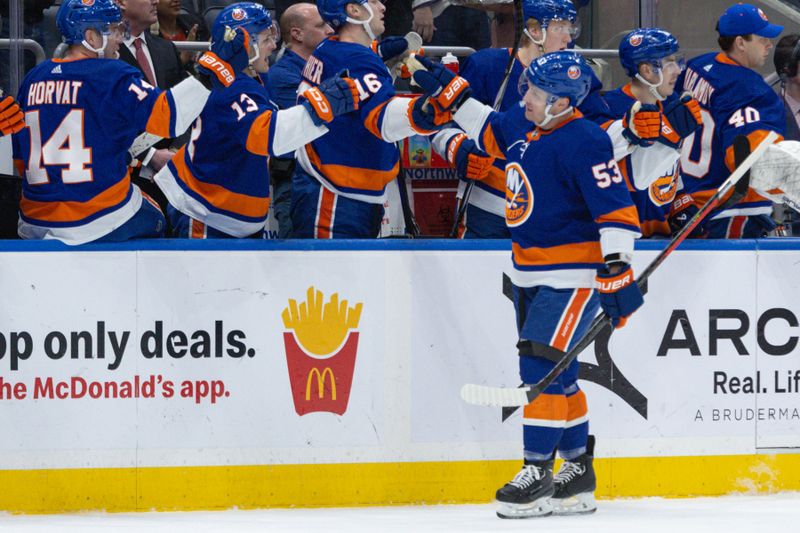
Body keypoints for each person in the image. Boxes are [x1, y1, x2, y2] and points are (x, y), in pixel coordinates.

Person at [411, 51, 643, 517]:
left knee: (539, 372)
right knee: (563, 374)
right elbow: (487, 126)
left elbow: (615, 208)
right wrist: (449, 93)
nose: (526, 97)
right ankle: (577, 471)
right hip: (526, 271)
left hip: (571, 276)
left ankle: (537, 471)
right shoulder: (524, 123)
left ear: (561, 102)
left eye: (536, 92)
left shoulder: (587, 141)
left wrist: (617, 266)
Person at [11, 0, 242, 244]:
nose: (120, 39)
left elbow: (20, 157)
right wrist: (211, 71)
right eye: (112, 30)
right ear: (90, 36)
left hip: (34, 220)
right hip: (97, 218)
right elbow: (170, 117)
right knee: (160, 217)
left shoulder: (33, 78)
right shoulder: (112, 74)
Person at [154, 2, 360, 239]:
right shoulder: (233, 88)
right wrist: (320, 107)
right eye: (265, 40)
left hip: (228, 213)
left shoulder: (245, 79)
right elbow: (269, 136)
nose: (274, 46)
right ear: (243, 46)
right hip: (207, 213)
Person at [433, 0, 612, 239]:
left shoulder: (577, 75)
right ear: (535, 30)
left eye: (571, 30)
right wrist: (458, 148)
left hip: (550, 209)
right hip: (487, 208)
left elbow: (601, 132)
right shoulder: (487, 65)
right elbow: (445, 126)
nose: (568, 39)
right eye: (561, 29)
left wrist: (630, 129)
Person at [290, 0, 448, 238]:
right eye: (373, 1)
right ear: (353, 10)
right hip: (336, 194)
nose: (383, 7)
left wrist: (379, 57)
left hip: (328, 185)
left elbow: (355, 85)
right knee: (332, 273)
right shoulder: (358, 60)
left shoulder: (328, 47)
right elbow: (382, 118)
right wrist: (427, 109)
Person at [677, 3, 785, 238]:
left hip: (689, 201)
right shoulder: (751, 91)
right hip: (732, 212)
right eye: (762, 37)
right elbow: (756, 166)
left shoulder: (697, 66)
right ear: (740, 43)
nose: (769, 44)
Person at [604, 28, 705, 238]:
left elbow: (669, 167)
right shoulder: (607, 106)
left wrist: (680, 204)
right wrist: (628, 131)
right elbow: (598, 161)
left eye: (678, 61)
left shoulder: (672, 104)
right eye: (670, 62)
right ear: (647, 70)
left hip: (661, 235)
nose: (678, 70)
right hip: (622, 236)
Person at [266, 3, 333, 238]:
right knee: (299, 266)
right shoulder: (282, 75)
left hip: (327, 181)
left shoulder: (324, 68)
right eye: (321, 25)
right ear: (296, 34)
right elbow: (321, 123)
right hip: (297, 184)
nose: (330, 30)